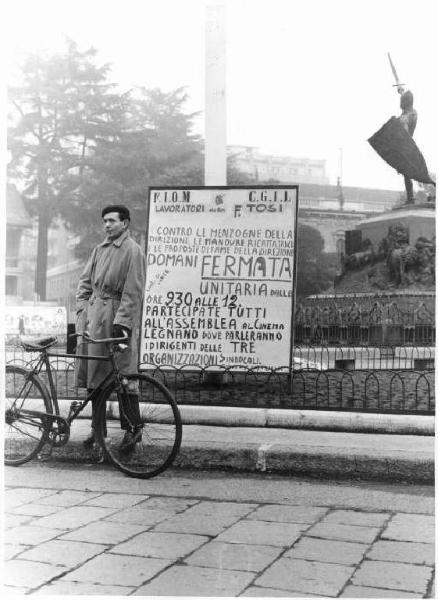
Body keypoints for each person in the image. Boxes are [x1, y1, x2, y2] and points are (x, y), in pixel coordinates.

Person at [75, 204, 146, 452]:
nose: (107, 225)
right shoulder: (99, 249)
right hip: (94, 320)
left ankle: (132, 431)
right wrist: (82, 313)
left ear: (125, 223)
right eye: (104, 221)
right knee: (95, 378)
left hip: (116, 321)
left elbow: (133, 292)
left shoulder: (132, 251)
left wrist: (122, 325)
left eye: (112, 221)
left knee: (124, 376)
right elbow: (84, 284)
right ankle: (97, 430)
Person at [396, 85, 418, 204]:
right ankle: (410, 197)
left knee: (406, 172)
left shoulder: (405, 117)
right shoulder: (413, 113)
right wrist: (402, 91)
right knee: (406, 172)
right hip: (410, 146)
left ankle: (410, 197)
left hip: (405, 146)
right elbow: (407, 101)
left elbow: (404, 133)